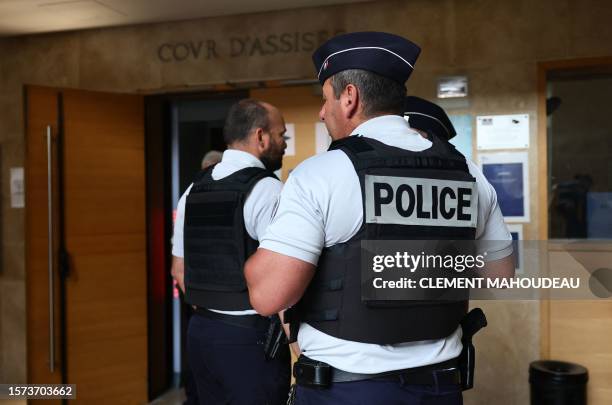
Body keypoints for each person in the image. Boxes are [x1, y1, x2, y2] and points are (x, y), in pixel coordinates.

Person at [244, 32, 514, 404]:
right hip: (439, 388)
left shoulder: (321, 174)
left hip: (347, 390)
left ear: (349, 97)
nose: (323, 112)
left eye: (325, 100)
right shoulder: (469, 173)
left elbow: (268, 296)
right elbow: (499, 277)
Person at [171, 99, 290, 405]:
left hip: (201, 334)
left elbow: (178, 269)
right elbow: (282, 280)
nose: (284, 145)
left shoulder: (193, 190)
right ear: (260, 137)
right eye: (281, 136)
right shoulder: (268, 190)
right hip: (248, 340)